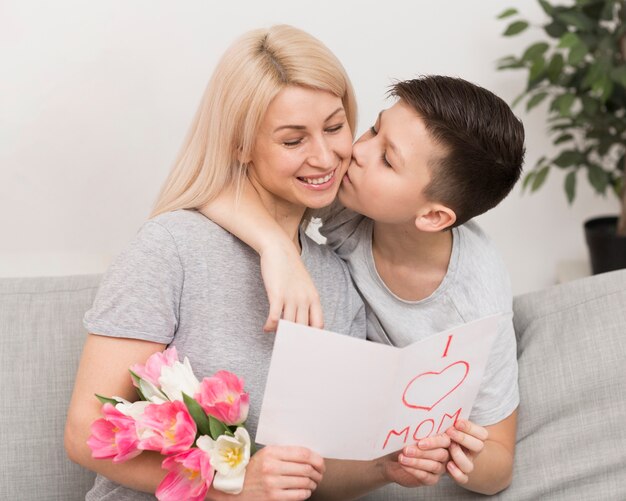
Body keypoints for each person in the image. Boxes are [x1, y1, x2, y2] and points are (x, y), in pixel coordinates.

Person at [64, 25, 451, 501]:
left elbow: (314, 471)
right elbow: (87, 433)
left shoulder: (335, 278)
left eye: (334, 126)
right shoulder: (171, 247)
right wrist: (233, 486)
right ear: (241, 145)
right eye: (293, 140)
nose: (326, 155)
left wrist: (383, 467)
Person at [199, 75, 525, 497]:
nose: (355, 151)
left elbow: (499, 468)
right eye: (373, 128)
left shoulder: (478, 309)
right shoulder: (350, 200)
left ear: (432, 217)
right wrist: (276, 248)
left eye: (387, 160)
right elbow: (211, 185)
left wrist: (453, 452)